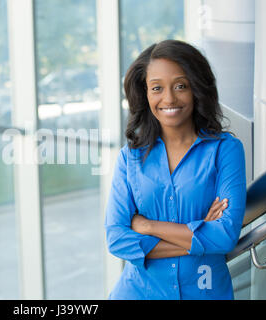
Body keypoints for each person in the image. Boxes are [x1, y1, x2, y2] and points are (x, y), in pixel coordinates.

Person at [104, 39, 246, 300]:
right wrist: (201, 233)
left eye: (180, 86)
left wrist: (147, 226)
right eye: (157, 88)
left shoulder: (226, 150)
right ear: (145, 94)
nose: (169, 98)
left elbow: (225, 236)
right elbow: (116, 238)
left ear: (197, 88)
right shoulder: (130, 158)